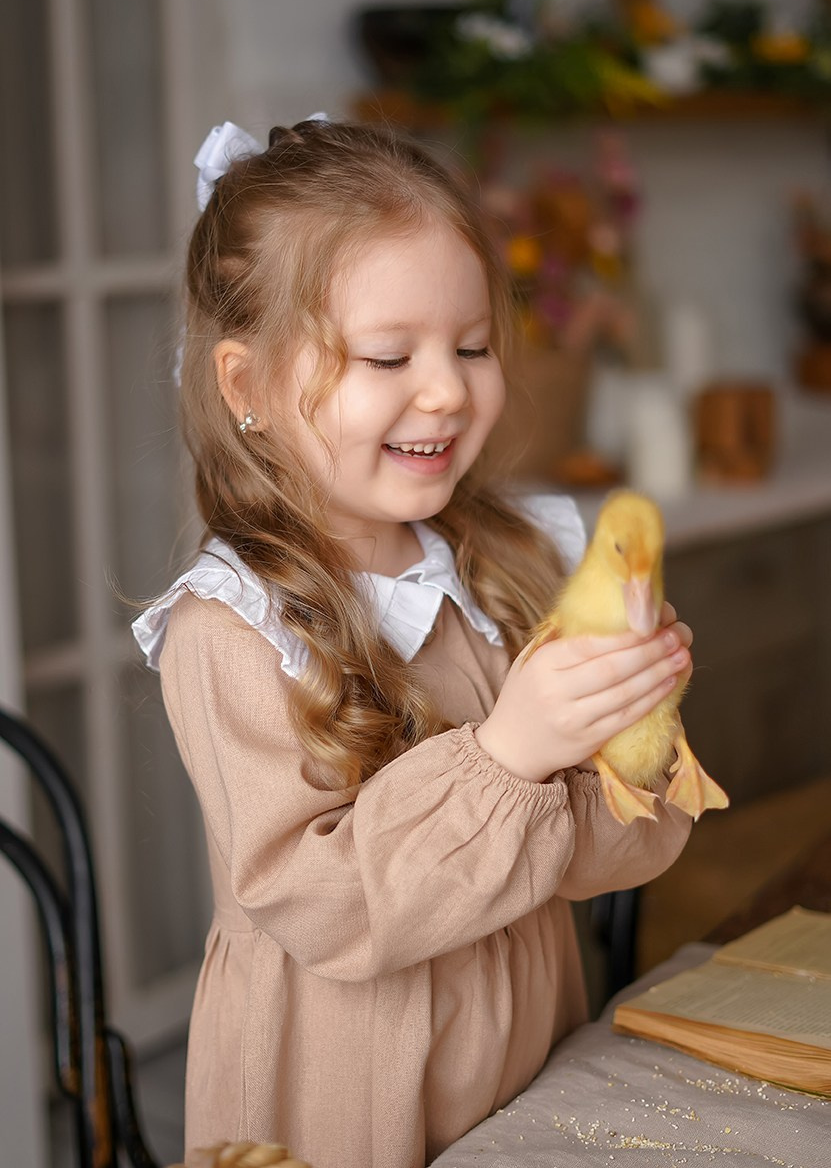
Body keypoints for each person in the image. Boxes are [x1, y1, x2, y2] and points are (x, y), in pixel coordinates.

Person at [133, 117, 692, 1168]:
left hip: (529, 1066)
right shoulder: (230, 630)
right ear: (246, 386)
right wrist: (513, 754)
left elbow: (621, 853)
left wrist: (632, 726)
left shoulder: (510, 561)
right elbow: (329, 908)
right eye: (388, 354)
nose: (445, 388)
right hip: (338, 1090)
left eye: (472, 345)